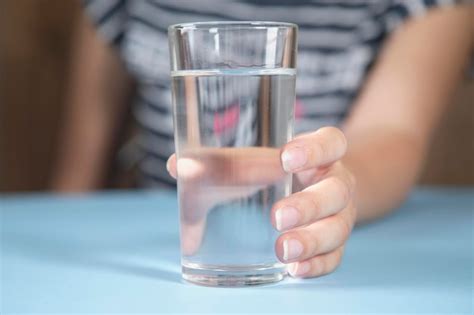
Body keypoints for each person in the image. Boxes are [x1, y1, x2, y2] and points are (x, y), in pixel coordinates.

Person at [52, 0, 473, 278]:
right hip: (156, 245)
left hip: (297, 235)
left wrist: (330, 183)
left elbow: (393, 132)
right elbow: (76, 174)